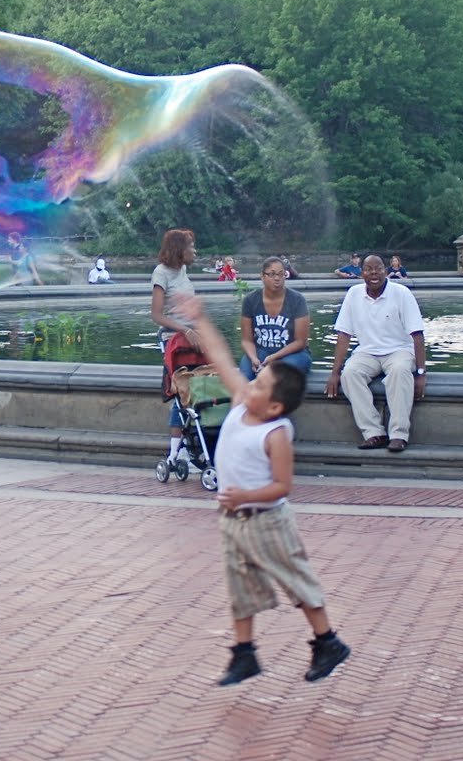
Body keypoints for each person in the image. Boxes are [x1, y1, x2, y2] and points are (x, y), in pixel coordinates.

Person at [175, 291, 351, 687]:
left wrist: (244, 496)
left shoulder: (276, 434)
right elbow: (220, 358)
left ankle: (327, 641)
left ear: (274, 407)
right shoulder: (242, 403)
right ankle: (244, 653)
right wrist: (199, 318)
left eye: (260, 385)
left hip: (268, 521)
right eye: (254, 379)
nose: (250, 384)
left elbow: (281, 486)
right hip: (234, 519)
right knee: (240, 585)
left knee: (295, 579)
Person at [325, 255, 426, 452]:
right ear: (361, 273)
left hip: (399, 350)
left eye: (378, 268)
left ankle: (399, 434)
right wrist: (335, 372)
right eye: (368, 269)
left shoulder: (401, 293)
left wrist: (421, 373)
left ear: (385, 270)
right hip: (367, 352)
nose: (373, 273)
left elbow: (417, 335)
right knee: (350, 374)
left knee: (399, 371)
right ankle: (374, 433)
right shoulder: (353, 294)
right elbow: (344, 335)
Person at [151, 228, 199, 465]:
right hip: (176, 341)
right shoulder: (162, 274)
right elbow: (157, 315)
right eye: (191, 247)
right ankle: (175, 451)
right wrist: (184, 330)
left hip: (194, 337)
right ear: (179, 250)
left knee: (199, 387)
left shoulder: (183, 270)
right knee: (181, 392)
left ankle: (191, 445)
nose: (194, 251)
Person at [240, 257, 313, 383]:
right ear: (262, 276)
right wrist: (253, 359)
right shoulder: (250, 301)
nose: (277, 278)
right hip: (261, 351)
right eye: (272, 274)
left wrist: (274, 358)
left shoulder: (297, 300)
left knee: (276, 376)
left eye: (281, 274)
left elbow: (300, 342)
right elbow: (247, 340)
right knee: (245, 377)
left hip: (292, 354)